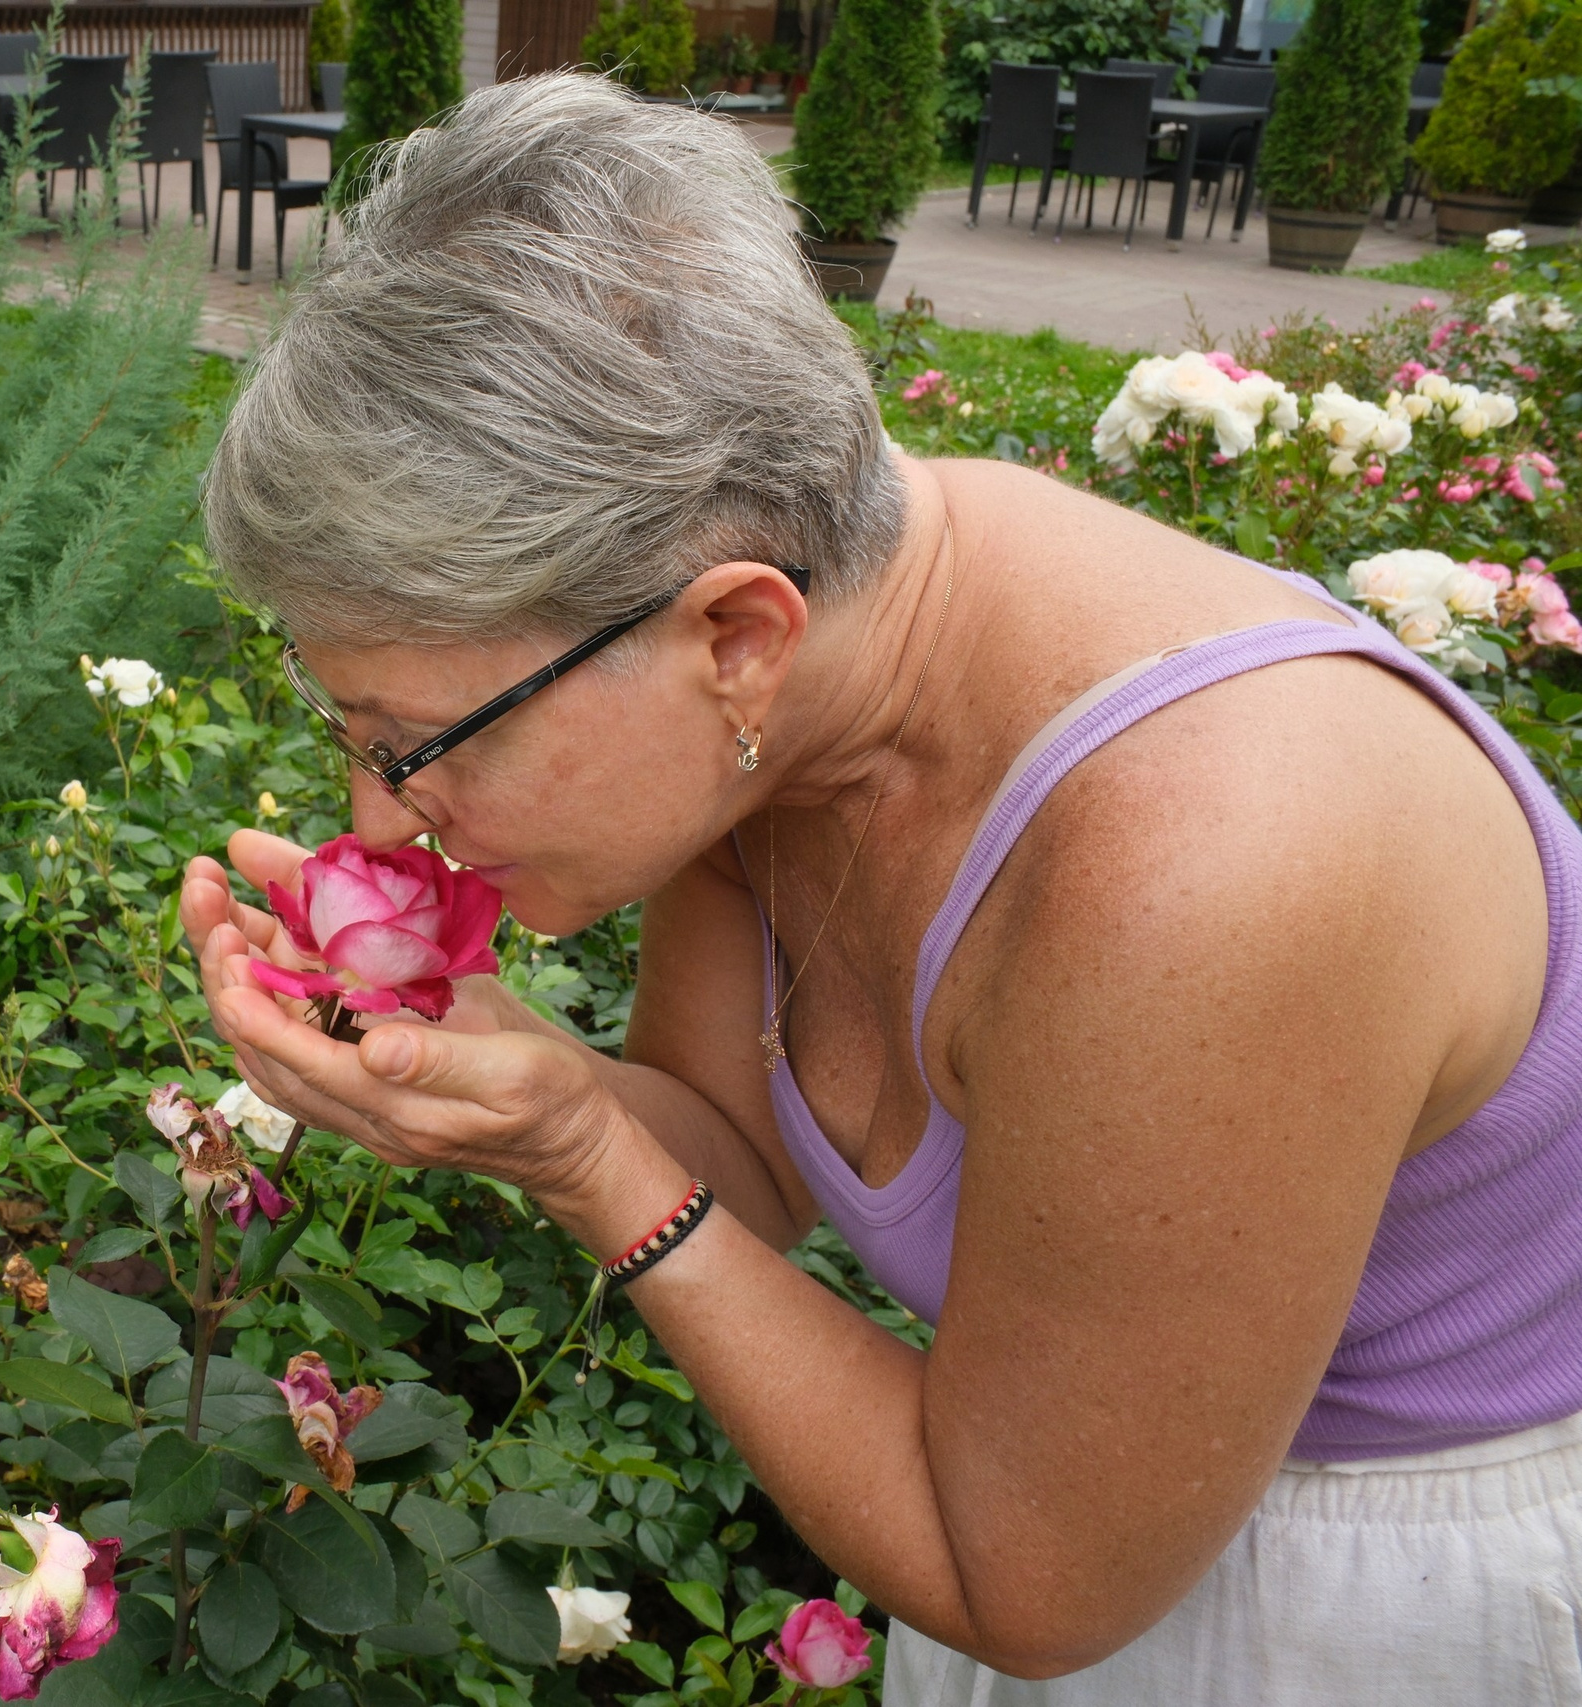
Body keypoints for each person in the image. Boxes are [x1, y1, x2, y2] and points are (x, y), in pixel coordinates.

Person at [179, 73, 1582, 1704]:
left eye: (415, 742)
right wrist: (517, 1076)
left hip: (1376, 1601)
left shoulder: (1208, 868)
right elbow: (745, 1162)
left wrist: (587, 1163)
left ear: (735, 635)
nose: (380, 816)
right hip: (1063, 1521)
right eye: (348, 728)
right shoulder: (795, 692)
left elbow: (1028, 1583)